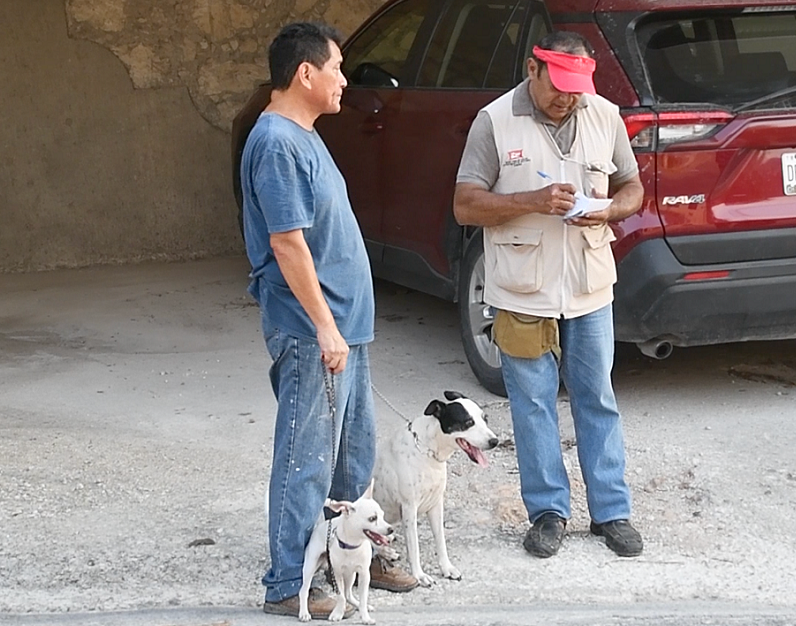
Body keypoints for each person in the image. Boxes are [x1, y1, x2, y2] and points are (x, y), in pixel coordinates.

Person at [239, 22, 417, 618]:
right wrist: (323, 325)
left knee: (352, 457)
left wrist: (342, 326)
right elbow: (287, 244)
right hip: (316, 330)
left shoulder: (305, 134)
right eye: (338, 68)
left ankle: (350, 558)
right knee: (305, 460)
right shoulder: (277, 143)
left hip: (345, 328)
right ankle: (289, 584)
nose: (346, 80)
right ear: (305, 73)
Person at [453, 30, 645, 559]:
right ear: (531, 70)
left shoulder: (604, 115)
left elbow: (632, 187)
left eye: (577, 87)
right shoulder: (494, 120)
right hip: (521, 289)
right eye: (558, 85)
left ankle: (611, 512)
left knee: (597, 398)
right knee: (532, 404)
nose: (568, 97)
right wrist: (534, 200)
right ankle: (547, 513)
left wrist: (610, 209)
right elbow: (465, 205)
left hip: (588, 286)